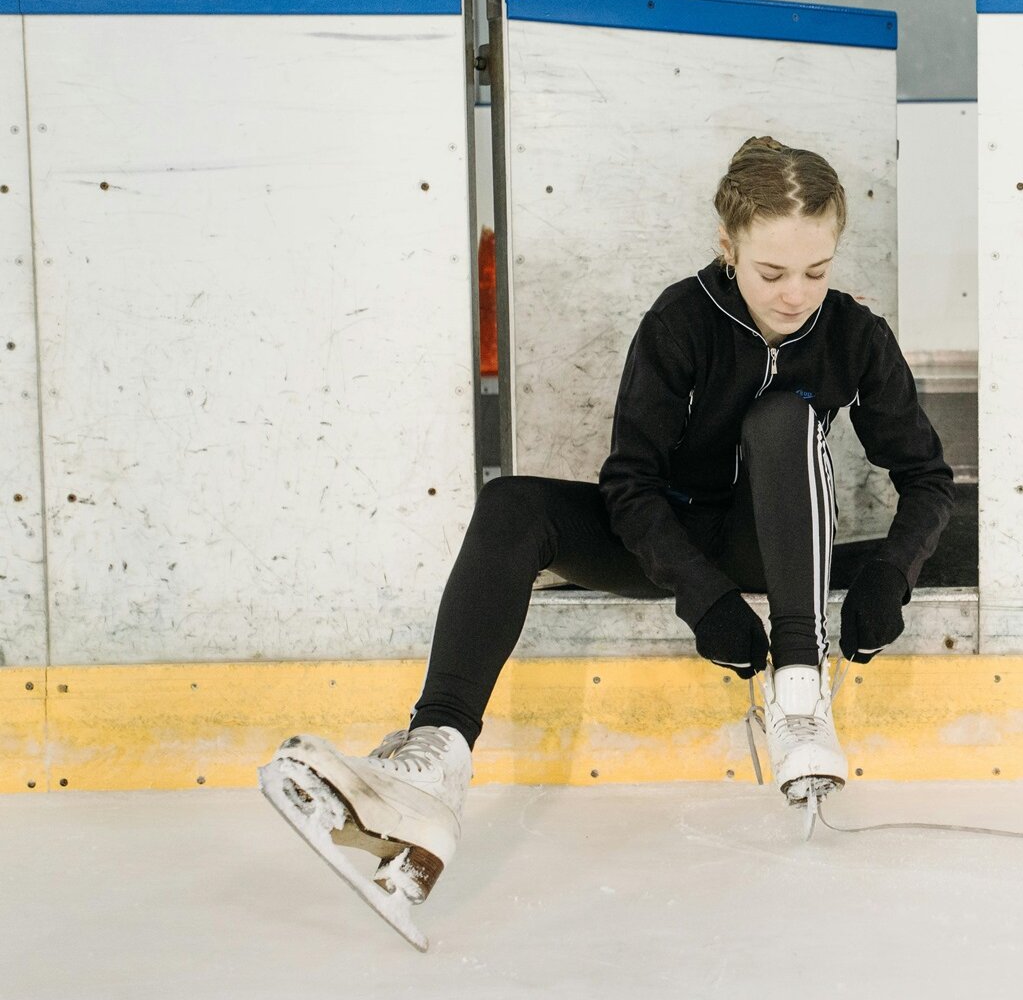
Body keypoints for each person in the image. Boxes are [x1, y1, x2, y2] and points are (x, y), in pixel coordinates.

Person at [261, 136, 956, 912]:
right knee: (511, 504)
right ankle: (436, 762)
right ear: (727, 248)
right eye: (771, 273)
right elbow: (629, 483)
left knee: (780, 418)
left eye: (816, 272)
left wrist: (893, 573)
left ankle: (799, 692)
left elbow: (927, 480)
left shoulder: (855, 336)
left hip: (775, 539)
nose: (796, 294)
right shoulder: (682, 320)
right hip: (670, 541)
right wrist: (701, 595)